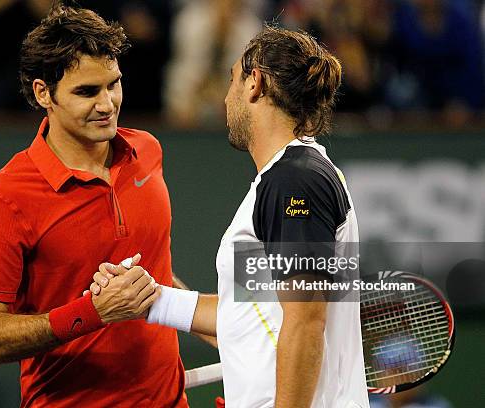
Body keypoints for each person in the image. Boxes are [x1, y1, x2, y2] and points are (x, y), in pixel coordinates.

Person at [92, 26, 370, 408]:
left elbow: (306, 322)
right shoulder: (290, 176)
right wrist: (151, 299)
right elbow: (251, 314)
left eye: (232, 81)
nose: (226, 99)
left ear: (255, 83)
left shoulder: (294, 179)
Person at [0, 3, 189, 407]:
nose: (107, 104)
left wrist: (224, 328)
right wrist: (93, 311)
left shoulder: (147, 150)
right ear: (43, 93)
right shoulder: (1, 198)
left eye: (113, 84)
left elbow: (157, 276)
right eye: (86, 92)